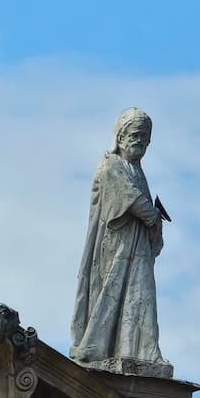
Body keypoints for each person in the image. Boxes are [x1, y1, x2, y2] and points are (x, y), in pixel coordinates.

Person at [70, 108, 168, 370]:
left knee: (141, 296)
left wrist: (153, 222)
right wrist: (153, 218)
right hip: (115, 247)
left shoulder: (137, 170)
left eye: (145, 138)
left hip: (137, 248)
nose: (140, 141)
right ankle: (101, 348)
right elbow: (129, 198)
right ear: (121, 136)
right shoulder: (110, 164)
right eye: (135, 134)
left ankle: (142, 351)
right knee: (110, 295)